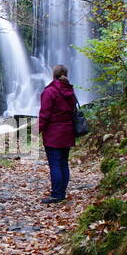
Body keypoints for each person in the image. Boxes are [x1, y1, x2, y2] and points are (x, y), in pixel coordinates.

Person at [37, 64, 77, 203]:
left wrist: (37, 130)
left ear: (53, 75)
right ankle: (62, 192)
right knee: (63, 163)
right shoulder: (70, 91)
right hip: (67, 131)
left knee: (55, 164)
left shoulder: (50, 91)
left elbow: (45, 114)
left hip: (54, 133)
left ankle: (57, 194)